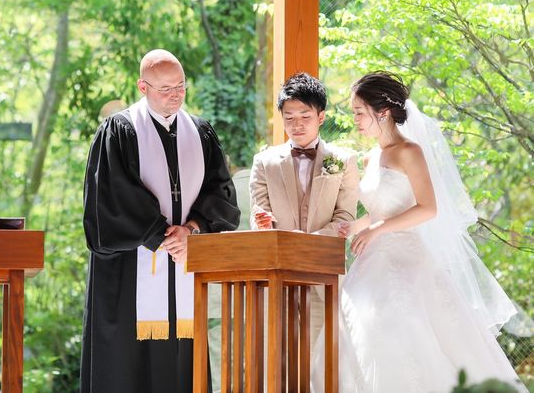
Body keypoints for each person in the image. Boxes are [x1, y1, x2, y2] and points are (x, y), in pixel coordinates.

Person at [311, 71, 527, 393]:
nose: (354, 119)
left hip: (406, 259)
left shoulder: (409, 151)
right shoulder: (370, 157)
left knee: (404, 330)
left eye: (359, 112)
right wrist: (353, 226)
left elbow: (428, 208)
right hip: (372, 261)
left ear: (382, 113)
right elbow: (379, 211)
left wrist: (378, 228)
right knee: (356, 331)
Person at [80, 49, 240, 393]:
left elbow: (222, 195)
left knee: (183, 369)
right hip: (129, 275)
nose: (175, 95)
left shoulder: (200, 132)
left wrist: (192, 230)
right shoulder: (119, 131)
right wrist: (164, 237)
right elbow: (112, 199)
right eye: (165, 88)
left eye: (180, 86)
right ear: (143, 87)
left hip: (185, 269)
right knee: (127, 371)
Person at [249, 72, 359, 348]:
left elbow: (345, 217)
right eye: (289, 117)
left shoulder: (343, 161)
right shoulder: (264, 162)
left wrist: (307, 242)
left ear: (321, 117)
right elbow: (258, 213)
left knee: (323, 356)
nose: (296, 125)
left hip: (325, 275)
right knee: (278, 356)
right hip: (277, 276)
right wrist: (261, 223)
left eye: (305, 116)